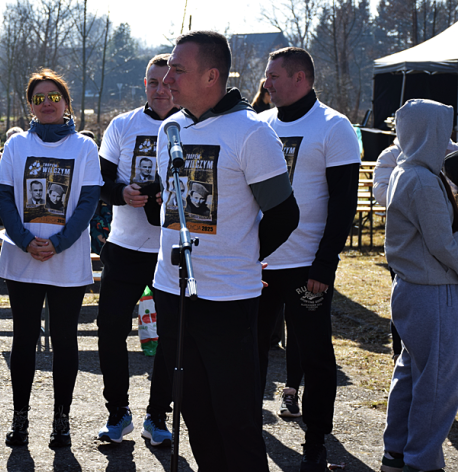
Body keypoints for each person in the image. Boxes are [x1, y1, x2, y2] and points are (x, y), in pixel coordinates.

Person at [152, 31, 299, 471]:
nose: (167, 79)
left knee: (235, 418)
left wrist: (243, 257)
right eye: (168, 69)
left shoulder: (251, 132)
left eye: (179, 70)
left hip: (228, 298)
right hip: (171, 290)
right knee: (194, 410)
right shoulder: (169, 128)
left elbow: (284, 214)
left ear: (212, 75)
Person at [256, 47, 360, 471]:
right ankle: (247, 424)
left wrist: (324, 265)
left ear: (300, 78)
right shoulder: (259, 125)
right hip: (258, 263)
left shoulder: (334, 127)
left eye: (274, 76)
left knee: (315, 356)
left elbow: (343, 204)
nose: (266, 83)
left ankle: (315, 438)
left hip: (306, 267)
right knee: (252, 350)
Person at [0, 68, 102, 448]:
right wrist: (25, 241)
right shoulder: (17, 145)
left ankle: (62, 419)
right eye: (38, 98)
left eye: (54, 96)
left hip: (66, 258)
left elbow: (89, 201)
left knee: (65, 339)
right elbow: (4, 196)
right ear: (31, 105)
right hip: (22, 257)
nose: (47, 103)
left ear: (66, 102)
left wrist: (58, 243)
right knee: (23, 339)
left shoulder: (84, 148)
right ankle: (20, 417)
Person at [96, 53, 178, 446]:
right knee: (110, 329)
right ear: (143, 85)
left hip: (170, 248)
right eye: (152, 82)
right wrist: (121, 192)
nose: (160, 89)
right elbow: (101, 179)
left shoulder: (192, 125)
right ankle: (118, 412)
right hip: (125, 245)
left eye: (166, 82)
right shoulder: (123, 124)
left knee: (170, 335)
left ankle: (157, 414)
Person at [380, 99, 458, 472]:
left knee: (411, 372)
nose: (450, 137)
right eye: (444, 130)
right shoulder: (424, 180)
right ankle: (422, 461)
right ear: (430, 132)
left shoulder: (405, 169)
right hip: (432, 289)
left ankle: (397, 452)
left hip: (411, 287)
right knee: (439, 382)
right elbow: (444, 245)